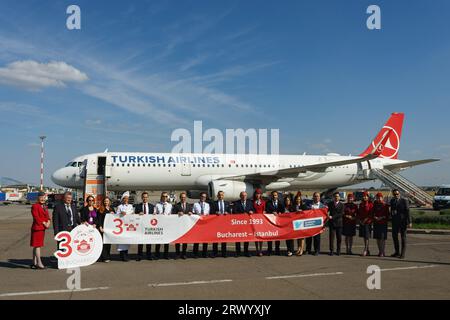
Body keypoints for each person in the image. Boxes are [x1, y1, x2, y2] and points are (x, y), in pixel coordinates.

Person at [53, 191, 80, 258]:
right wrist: (56, 232)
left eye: (70, 198)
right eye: (67, 198)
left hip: (72, 229)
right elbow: (55, 221)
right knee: (62, 246)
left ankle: (70, 260)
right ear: (64, 198)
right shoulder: (58, 207)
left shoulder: (73, 207)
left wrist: (82, 223)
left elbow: (77, 218)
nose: (69, 199)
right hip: (62, 230)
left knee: (72, 246)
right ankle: (62, 261)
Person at [30, 192, 51, 269]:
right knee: (37, 245)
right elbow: (36, 217)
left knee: (36, 246)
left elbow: (48, 216)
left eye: (44, 197)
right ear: (38, 198)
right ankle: (39, 263)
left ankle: (34, 262)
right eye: (41, 197)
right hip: (37, 228)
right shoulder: (35, 206)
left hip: (42, 228)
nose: (42, 199)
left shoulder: (44, 206)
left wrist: (48, 221)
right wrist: (44, 223)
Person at [390, 189, 411, 259]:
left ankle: (402, 254)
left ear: (399, 194)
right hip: (395, 221)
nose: (396, 195)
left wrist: (409, 222)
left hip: (403, 222)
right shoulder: (392, 201)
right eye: (395, 194)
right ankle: (397, 252)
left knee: (403, 237)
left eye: (397, 194)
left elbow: (408, 211)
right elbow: (392, 210)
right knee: (394, 237)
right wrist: (391, 216)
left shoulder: (404, 201)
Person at [134, 192, 155, 261]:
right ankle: (139, 256)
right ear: (141, 198)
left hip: (149, 226)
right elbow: (134, 216)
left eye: (146, 197)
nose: (145, 198)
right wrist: (138, 214)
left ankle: (148, 255)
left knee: (148, 241)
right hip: (141, 226)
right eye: (143, 197)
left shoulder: (151, 206)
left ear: (148, 198)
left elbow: (154, 216)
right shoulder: (138, 206)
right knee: (140, 242)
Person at [172, 192, 193, 259]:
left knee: (185, 240)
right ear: (180, 198)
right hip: (178, 226)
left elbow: (193, 213)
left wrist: (191, 213)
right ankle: (177, 254)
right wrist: (177, 213)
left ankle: (184, 254)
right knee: (178, 241)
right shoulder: (176, 205)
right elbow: (173, 214)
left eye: (184, 197)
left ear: (185, 198)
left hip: (186, 226)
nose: (183, 198)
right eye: (182, 197)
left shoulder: (189, 205)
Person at [233, 191, 254, 257]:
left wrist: (251, 211)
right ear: (240, 196)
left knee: (246, 237)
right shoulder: (236, 203)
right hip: (239, 223)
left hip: (247, 223)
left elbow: (253, 209)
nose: (244, 196)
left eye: (245, 195)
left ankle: (246, 251)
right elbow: (234, 212)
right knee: (238, 237)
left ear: (246, 196)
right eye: (242, 195)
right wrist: (242, 215)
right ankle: (238, 252)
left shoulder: (250, 202)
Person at [116, 191, 134, 261]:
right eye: (124, 198)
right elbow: (116, 215)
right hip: (121, 226)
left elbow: (132, 213)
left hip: (128, 226)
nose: (125, 200)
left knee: (126, 241)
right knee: (121, 241)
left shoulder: (130, 206)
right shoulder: (119, 207)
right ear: (122, 199)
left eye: (127, 198)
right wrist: (120, 213)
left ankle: (126, 255)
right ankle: (122, 256)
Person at [265, 191, 285, 255]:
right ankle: (269, 250)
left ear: (277, 196)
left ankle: (277, 250)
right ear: (271, 196)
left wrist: (280, 213)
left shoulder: (281, 203)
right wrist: (272, 212)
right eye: (273, 195)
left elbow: (283, 210)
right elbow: (267, 210)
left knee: (277, 236)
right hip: (270, 222)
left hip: (278, 222)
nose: (274, 196)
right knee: (270, 236)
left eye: (275, 195)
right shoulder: (268, 203)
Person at [154, 191, 173, 259]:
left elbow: (171, 214)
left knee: (166, 241)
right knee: (158, 241)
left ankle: (166, 255)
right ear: (161, 197)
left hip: (167, 225)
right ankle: (157, 254)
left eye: (166, 196)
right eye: (163, 196)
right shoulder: (157, 205)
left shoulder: (170, 205)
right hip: (159, 225)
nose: (164, 197)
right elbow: (154, 214)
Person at [193, 192, 211, 257]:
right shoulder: (195, 204)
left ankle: (204, 253)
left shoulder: (207, 205)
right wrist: (197, 215)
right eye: (202, 196)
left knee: (205, 238)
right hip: (197, 223)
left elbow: (209, 214)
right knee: (196, 238)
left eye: (204, 197)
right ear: (200, 197)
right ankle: (195, 253)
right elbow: (193, 213)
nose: (203, 198)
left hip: (205, 223)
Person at [212, 191, 230, 258]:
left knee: (223, 238)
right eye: (219, 195)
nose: (220, 196)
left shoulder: (227, 203)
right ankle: (215, 253)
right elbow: (211, 212)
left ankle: (224, 253)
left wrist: (227, 213)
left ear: (223, 196)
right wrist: (215, 212)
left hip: (224, 223)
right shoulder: (214, 203)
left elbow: (231, 212)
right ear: (217, 196)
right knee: (215, 238)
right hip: (216, 223)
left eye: (222, 195)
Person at [98, 197, 115, 263]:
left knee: (108, 243)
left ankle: (108, 256)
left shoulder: (112, 209)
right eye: (105, 201)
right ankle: (104, 257)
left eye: (107, 201)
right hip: (103, 228)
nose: (106, 202)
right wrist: (100, 227)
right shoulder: (101, 209)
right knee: (103, 243)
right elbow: (99, 219)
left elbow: (115, 217)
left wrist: (113, 214)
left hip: (109, 229)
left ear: (109, 202)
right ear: (103, 202)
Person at [373, 192, 390, 257]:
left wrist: (382, 217)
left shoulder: (385, 205)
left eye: (380, 197)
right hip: (376, 223)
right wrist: (375, 217)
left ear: (382, 198)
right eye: (378, 198)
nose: (379, 199)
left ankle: (382, 251)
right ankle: (380, 251)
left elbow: (387, 215)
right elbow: (373, 212)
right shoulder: (375, 204)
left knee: (382, 239)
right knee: (377, 238)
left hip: (383, 223)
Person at [327, 192, 344, 256]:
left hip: (339, 223)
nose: (336, 197)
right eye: (335, 196)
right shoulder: (330, 204)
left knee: (339, 238)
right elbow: (327, 211)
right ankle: (331, 250)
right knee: (331, 238)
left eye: (337, 196)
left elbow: (341, 214)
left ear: (339, 197)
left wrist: (332, 217)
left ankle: (338, 250)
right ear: (333, 197)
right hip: (332, 223)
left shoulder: (342, 205)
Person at [358, 191, 373, 257]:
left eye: (366, 196)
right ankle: (367, 250)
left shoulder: (370, 204)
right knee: (364, 237)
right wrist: (360, 220)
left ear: (368, 197)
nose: (365, 197)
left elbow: (371, 213)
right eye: (364, 196)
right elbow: (359, 213)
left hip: (367, 222)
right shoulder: (361, 204)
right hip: (362, 222)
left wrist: (366, 220)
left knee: (367, 237)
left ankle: (365, 250)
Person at [252, 189, 266, 256]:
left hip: (261, 220)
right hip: (255, 220)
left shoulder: (263, 202)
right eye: (257, 194)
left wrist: (264, 212)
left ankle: (260, 249)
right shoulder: (253, 202)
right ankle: (257, 249)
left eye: (259, 194)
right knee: (256, 235)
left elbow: (265, 210)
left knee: (261, 235)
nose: (258, 195)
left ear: (261, 195)